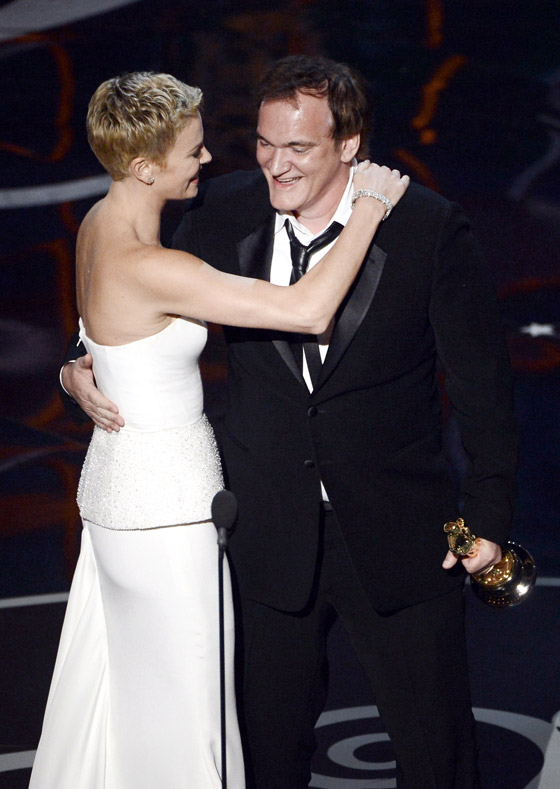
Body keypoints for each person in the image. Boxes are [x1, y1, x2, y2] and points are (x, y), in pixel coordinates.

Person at [60, 56, 517, 789]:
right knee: (266, 758)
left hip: (400, 534)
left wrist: (486, 517)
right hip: (266, 537)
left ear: (349, 144)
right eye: (264, 143)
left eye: (298, 147)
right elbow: (125, 285)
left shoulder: (429, 227)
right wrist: (81, 362)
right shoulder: (220, 208)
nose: (275, 164)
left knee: (437, 755)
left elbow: (481, 386)